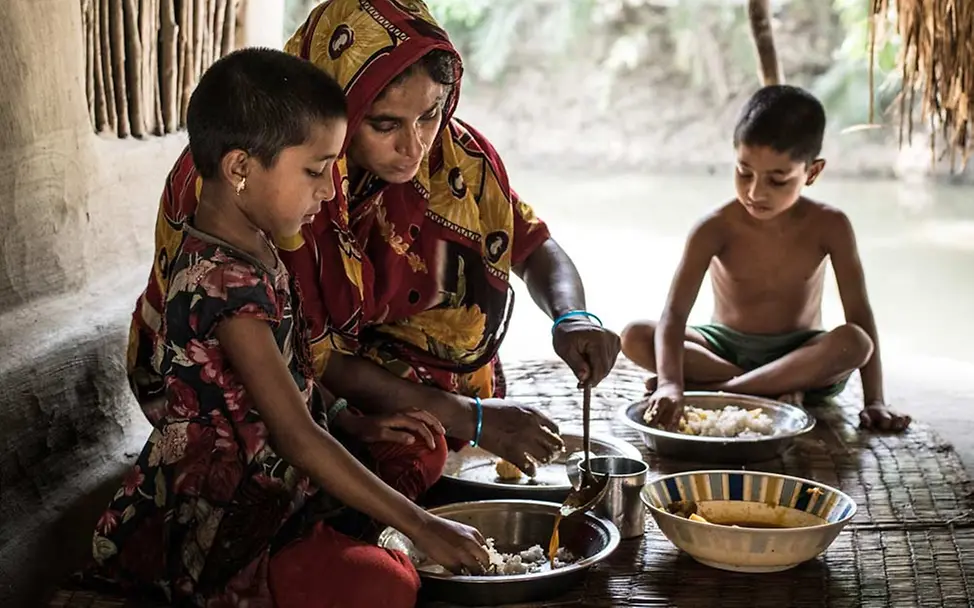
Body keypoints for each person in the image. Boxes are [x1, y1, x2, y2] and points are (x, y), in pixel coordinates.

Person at [127, 0, 622, 487]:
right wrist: (470, 418)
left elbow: (532, 245)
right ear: (342, 105)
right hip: (269, 391)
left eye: (431, 113)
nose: (417, 145)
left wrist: (571, 316)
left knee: (427, 438)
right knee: (408, 455)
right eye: (385, 124)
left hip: (371, 380)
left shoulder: (454, 160)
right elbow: (309, 364)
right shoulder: (261, 187)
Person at [88, 47, 488, 608]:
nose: (329, 191)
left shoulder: (258, 246)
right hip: (227, 517)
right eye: (316, 171)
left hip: (283, 478)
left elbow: (292, 373)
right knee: (387, 586)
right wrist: (422, 525)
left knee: (421, 448)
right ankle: (335, 552)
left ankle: (348, 539)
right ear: (240, 169)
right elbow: (297, 434)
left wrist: (354, 421)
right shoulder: (221, 286)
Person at [620, 84, 911, 433]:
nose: (755, 192)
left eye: (778, 180)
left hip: (802, 353)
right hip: (722, 349)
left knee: (855, 341)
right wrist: (669, 383)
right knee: (635, 335)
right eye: (744, 172)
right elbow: (675, 315)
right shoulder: (713, 227)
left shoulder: (831, 225)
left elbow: (859, 314)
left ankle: (721, 392)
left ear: (812, 173)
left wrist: (874, 400)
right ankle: (768, 386)